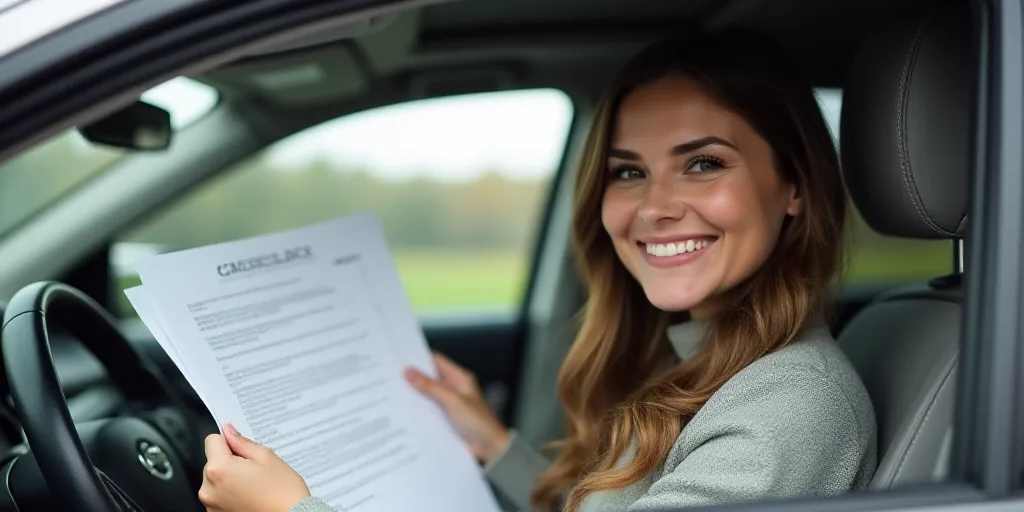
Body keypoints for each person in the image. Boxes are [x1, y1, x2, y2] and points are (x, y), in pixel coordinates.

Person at [196, 30, 877, 512]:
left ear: (794, 187)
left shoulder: (790, 408)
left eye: (704, 163)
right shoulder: (709, 356)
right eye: (629, 172)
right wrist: (490, 442)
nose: (656, 207)